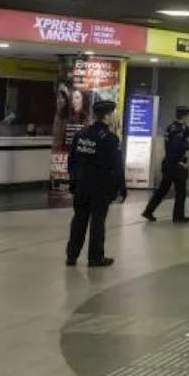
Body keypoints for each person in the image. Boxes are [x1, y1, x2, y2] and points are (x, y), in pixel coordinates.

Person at [65, 100, 126, 267]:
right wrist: (122, 187)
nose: (115, 116)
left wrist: (73, 180)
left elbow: (72, 160)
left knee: (79, 220)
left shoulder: (82, 134)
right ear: (107, 115)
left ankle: (72, 255)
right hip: (101, 186)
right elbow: (116, 165)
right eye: (113, 113)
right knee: (98, 222)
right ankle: (95, 257)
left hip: (81, 185)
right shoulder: (110, 139)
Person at [143, 105, 189, 223]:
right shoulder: (177, 130)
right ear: (185, 116)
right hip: (175, 164)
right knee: (180, 191)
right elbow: (174, 148)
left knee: (163, 189)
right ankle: (178, 216)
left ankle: (148, 211)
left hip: (168, 163)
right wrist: (180, 161)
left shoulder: (173, 127)